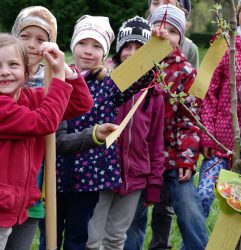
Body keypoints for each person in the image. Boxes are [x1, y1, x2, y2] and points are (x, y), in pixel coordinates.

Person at [55, 15, 154, 249]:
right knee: (49, 235)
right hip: (55, 175)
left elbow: (142, 75)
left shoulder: (109, 84)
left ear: (106, 52)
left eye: (97, 46)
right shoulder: (57, 78)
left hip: (89, 178)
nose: (88, 51)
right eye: (83, 43)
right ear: (72, 45)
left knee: (78, 238)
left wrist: (152, 49)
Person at [0, 32, 93, 250]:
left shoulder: (29, 98)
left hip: (16, 207)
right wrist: (58, 77)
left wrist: (66, 70)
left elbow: (80, 103)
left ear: (26, 70)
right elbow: (44, 122)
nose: (4, 71)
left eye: (12, 64)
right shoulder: (2, 107)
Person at [125, 1, 200, 249]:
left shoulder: (187, 72)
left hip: (173, 157)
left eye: (172, 30)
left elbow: (190, 121)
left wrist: (187, 159)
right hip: (137, 157)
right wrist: (147, 51)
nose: (164, 34)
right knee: (132, 218)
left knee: (188, 208)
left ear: (181, 37)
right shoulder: (139, 64)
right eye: (158, 27)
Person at [86, 16, 165, 250]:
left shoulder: (154, 95)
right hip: (101, 173)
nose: (132, 53)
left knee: (116, 238)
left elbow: (156, 141)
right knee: (92, 239)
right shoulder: (104, 84)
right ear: (119, 50)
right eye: (127, 47)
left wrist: (154, 183)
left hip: (135, 176)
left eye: (140, 48)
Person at [197, 0, 241, 219]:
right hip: (219, 144)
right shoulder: (226, 45)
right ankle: (194, 244)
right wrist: (207, 135)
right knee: (203, 196)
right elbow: (207, 91)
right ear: (237, 15)